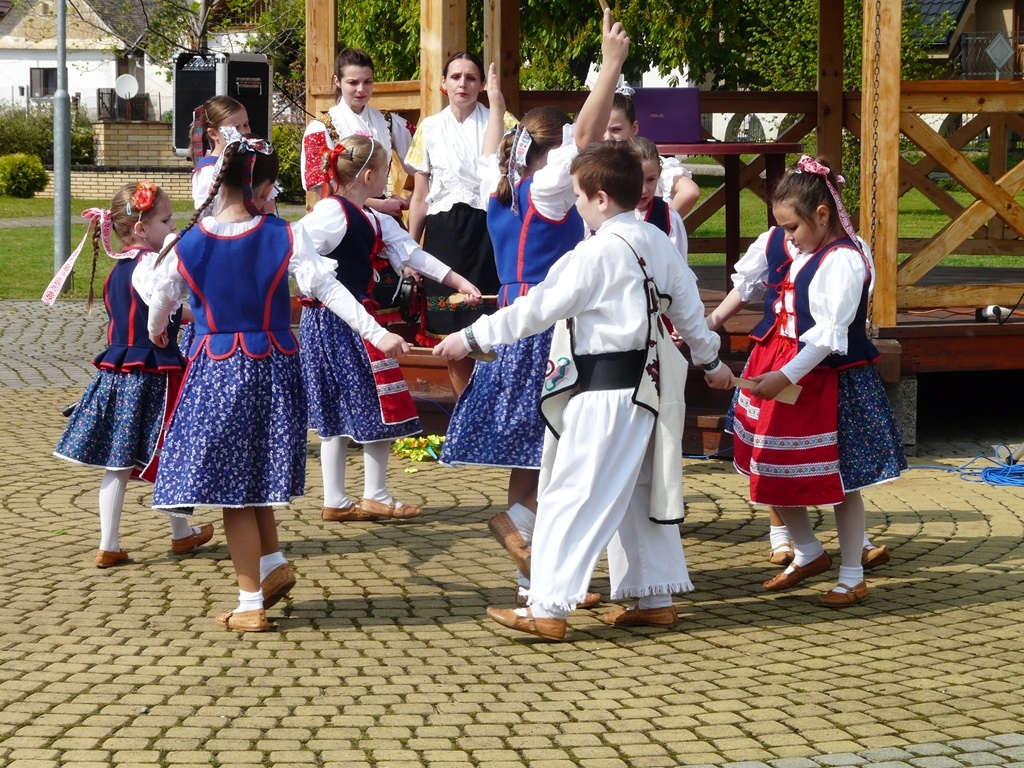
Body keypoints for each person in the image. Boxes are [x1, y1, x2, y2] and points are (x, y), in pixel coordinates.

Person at [435, 141, 734, 641]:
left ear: (600, 198)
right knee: (637, 493)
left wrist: (470, 336)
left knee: (569, 494)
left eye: (577, 195)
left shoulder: (595, 253)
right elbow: (688, 311)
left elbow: (538, 308)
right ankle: (655, 598)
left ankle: (548, 606)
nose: (574, 204)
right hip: (647, 393)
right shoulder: (656, 240)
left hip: (605, 394)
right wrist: (712, 362)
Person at [134, 130, 410, 632]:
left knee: (232, 491)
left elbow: (160, 301)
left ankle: (248, 604)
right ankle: (272, 564)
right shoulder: (284, 234)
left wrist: (158, 332)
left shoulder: (187, 242)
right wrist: (378, 332)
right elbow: (330, 290)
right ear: (262, 188)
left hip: (218, 372)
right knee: (253, 475)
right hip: (273, 370)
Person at [440, 9, 628, 610]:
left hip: (512, 319)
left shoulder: (498, 185)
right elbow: (587, 135)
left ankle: (537, 578)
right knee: (556, 449)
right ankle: (520, 528)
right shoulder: (547, 190)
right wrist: (610, 66)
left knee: (533, 453)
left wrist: (496, 104)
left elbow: (493, 151)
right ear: (551, 154)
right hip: (547, 325)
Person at [704, 155, 906, 607]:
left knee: (841, 480)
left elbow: (828, 337)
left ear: (822, 214)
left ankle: (852, 574)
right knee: (768, 461)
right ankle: (809, 551)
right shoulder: (797, 247)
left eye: (793, 227)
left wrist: (783, 375)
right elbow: (763, 290)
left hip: (830, 378)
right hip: (786, 365)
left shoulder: (845, 260)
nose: (788, 238)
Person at [300, 133, 482, 522]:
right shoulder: (333, 213)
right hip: (345, 323)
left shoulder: (372, 218)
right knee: (377, 401)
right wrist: (311, 279)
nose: (389, 179)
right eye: (386, 170)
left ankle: (339, 499)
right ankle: (371, 495)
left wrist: (459, 282)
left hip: (333, 323)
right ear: (368, 176)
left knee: (344, 406)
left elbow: (414, 255)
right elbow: (299, 248)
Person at [49, 182, 213, 567]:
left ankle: (110, 544)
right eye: (166, 221)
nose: (173, 228)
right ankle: (180, 534)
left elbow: (148, 310)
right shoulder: (149, 265)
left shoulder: (118, 270)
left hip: (119, 374)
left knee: (118, 462)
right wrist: (205, 314)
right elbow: (163, 306)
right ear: (141, 228)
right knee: (172, 449)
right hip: (155, 373)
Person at [406, 51, 518, 394]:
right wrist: (409, 251)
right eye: (455, 76)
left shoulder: (504, 120)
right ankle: (461, 411)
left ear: (482, 84)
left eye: (471, 77)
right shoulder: (429, 127)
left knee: (489, 329)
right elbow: (420, 196)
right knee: (451, 330)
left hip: (488, 234)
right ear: (444, 82)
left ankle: (491, 410)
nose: (463, 84)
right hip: (444, 237)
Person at [301, 47, 416, 219]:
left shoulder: (388, 122)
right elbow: (321, 185)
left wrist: (411, 201)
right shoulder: (322, 127)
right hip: (342, 214)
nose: (361, 89)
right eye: (353, 82)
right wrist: (377, 204)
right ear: (337, 81)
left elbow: (425, 165)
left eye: (367, 82)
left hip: (384, 214)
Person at [605, 89, 701, 218]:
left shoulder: (649, 162)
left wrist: (662, 223)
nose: (607, 137)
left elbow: (690, 191)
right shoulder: (588, 165)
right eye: (601, 129)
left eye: (616, 130)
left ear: (634, 128)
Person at [190, 95, 250, 212]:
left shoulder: (243, 159)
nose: (243, 132)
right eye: (235, 127)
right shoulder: (209, 170)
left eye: (246, 125)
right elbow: (205, 212)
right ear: (213, 134)